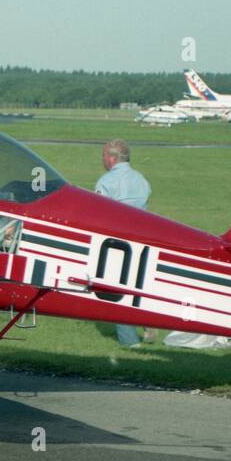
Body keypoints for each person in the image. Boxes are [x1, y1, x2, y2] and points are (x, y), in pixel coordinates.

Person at [94, 140, 153, 346]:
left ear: (111, 158)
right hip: (143, 240)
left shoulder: (106, 181)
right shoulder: (141, 179)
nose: (102, 160)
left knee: (116, 292)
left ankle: (129, 341)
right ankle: (146, 323)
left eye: (103, 156)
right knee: (136, 287)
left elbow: (99, 214)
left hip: (117, 243)